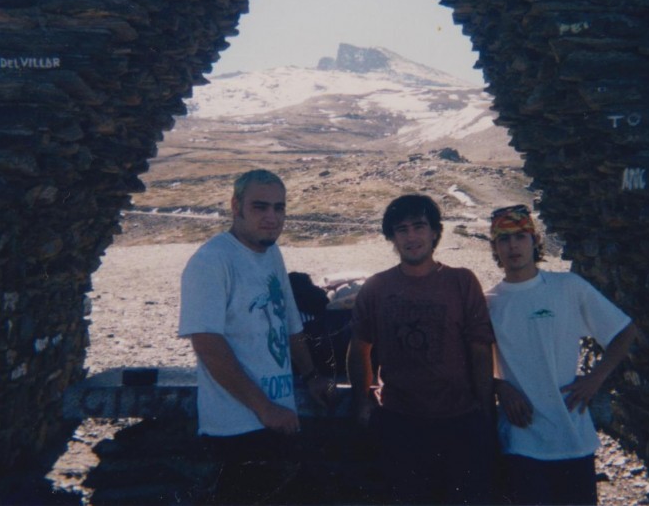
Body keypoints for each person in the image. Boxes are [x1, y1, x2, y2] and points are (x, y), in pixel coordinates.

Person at [177, 169, 332, 503]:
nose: (271, 217)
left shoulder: (271, 253)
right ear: (236, 206)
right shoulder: (212, 261)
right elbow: (207, 343)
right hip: (237, 426)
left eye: (279, 208)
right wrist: (264, 409)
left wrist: (311, 375)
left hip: (277, 416)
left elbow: (290, 323)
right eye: (260, 207)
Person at [485, 204, 639, 505]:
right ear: (495, 247)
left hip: (573, 438)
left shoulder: (567, 287)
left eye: (520, 236)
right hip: (521, 440)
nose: (513, 245)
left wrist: (595, 379)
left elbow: (624, 331)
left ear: (534, 241)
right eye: (503, 239)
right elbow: (473, 364)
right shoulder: (488, 303)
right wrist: (500, 386)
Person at [347, 194, 496, 505]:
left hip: (460, 420)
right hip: (400, 421)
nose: (411, 236)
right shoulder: (377, 287)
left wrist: (485, 408)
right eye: (401, 229)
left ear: (435, 232)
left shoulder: (462, 281)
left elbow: (480, 347)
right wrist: (362, 400)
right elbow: (360, 345)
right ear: (391, 237)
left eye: (419, 226)